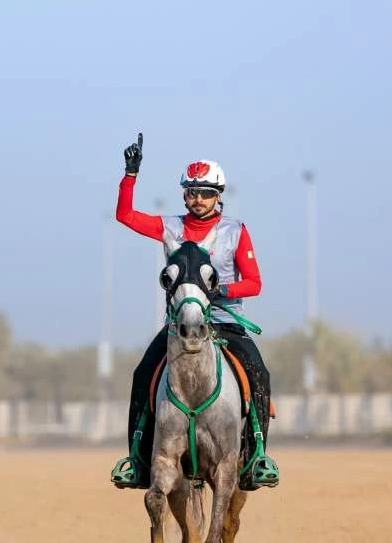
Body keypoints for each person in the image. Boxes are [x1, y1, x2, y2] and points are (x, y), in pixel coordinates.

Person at [110, 133, 279, 490]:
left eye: (204, 192)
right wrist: (130, 175)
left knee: (259, 374)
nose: (197, 199)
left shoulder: (235, 231)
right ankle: (136, 462)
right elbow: (124, 215)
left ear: (219, 196)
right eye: (191, 192)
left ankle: (258, 457)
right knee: (143, 375)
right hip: (180, 326)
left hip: (225, 323)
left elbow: (255, 283)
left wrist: (221, 291)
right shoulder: (171, 227)